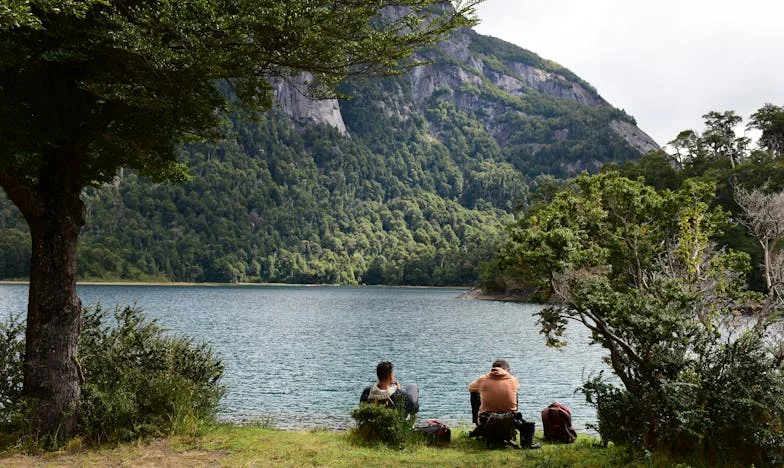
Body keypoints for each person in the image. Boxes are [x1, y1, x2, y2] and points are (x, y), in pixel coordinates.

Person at [468, 359, 538, 448]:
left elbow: (471, 388)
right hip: (510, 417)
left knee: (474, 393)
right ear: (507, 370)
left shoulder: (482, 379)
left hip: (486, 417)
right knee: (514, 393)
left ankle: (476, 421)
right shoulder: (514, 379)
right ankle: (527, 443)